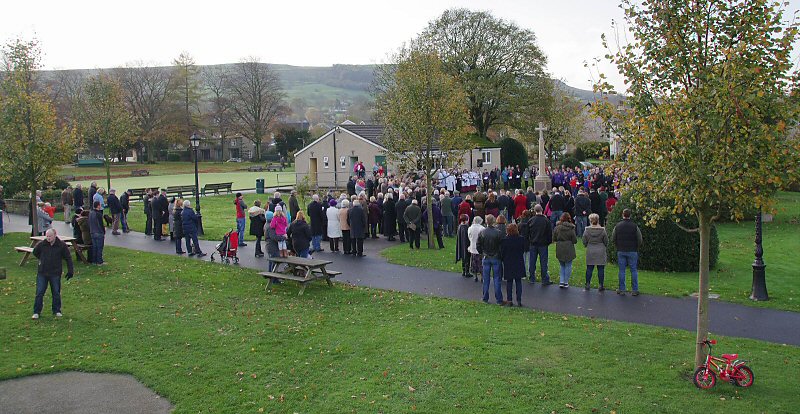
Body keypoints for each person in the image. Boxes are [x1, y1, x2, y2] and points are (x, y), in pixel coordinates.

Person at [31, 229, 74, 319]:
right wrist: (42, 259)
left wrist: (70, 270)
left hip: (55, 273)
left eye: (50, 236)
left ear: (55, 235)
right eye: (47, 236)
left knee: (56, 292)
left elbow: (68, 258)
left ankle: (57, 310)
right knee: (39, 292)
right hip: (42, 272)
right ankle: (36, 312)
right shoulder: (42, 244)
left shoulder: (61, 245)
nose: (48, 238)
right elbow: (35, 252)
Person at [612, 208, 643, 296]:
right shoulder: (634, 226)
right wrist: (636, 246)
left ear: (623, 214)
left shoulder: (618, 226)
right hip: (632, 250)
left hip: (621, 250)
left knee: (622, 270)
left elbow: (613, 238)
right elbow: (640, 239)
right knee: (633, 270)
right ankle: (635, 289)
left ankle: (622, 289)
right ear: (630, 215)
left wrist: (618, 245)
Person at [477, 214, 504, 305]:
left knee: (486, 279)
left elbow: (478, 245)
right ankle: (499, 299)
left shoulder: (482, 232)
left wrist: (482, 252)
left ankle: (485, 298)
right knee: (497, 279)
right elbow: (501, 246)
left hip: (486, 257)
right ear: (494, 221)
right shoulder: (498, 232)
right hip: (496, 257)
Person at [527, 204, 553, 285]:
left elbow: (528, 233)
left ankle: (531, 278)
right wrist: (548, 242)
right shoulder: (546, 221)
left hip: (533, 243)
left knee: (532, 261)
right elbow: (549, 233)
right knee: (544, 262)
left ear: (535, 211)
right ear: (542, 210)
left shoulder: (531, 220)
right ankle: (544, 279)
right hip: (543, 244)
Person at [501, 223, 526, 307]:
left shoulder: (505, 240)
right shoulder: (521, 239)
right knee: (518, 282)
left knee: (509, 282)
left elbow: (503, 252)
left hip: (508, 262)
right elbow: (523, 249)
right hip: (518, 261)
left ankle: (509, 300)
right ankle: (519, 300)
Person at [583, 213, 608, 291]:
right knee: (601, 268)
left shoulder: (587, 230)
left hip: (590, 249)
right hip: (600, 250)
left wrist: (587, 245)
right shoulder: (602, 230)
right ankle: (601, 285)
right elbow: (606, 241)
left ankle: (587, 284)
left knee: (589, 268)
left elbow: (584, 241)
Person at [553, 212, 577, 288]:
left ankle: (562, 281)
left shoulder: (557, 227)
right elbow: (575, 240)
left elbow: (554, 238)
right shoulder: (571, 228)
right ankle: (566, 282)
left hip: (560, 247)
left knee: (562, 265)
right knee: (568, 265)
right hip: (569, 247)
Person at [467, 216, 484, 282]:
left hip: (473, 247)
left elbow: (469, 237)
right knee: (481, 263)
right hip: (480, 248)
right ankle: (482, 277)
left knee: (474, 263)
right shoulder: (482, 228)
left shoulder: (470, 228)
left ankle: (475, 276)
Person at [89, 201, 106, 265]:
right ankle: (99, 261)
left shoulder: (91, 213)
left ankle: (94, 260)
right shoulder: (98, 214)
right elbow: (101, 224)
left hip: (92, 232)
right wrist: (103, 231)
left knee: (94, 247)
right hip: (98, 232)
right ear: (98, 206)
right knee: (99, 247)